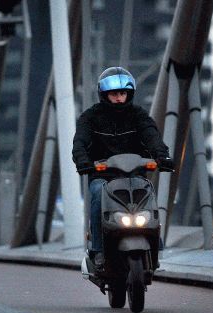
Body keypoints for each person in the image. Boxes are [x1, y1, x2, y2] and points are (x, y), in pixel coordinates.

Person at [72, 67, 174, 270]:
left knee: (148, 193)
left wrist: (162, 156)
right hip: (104, 178)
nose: (119, 98)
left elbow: (152, 137)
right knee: (97, 194)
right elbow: (80, 142)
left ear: (129, 94)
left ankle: (155, 244)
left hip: (135, 176)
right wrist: (83, 161)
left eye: (122, 93)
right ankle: (98, 250)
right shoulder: (90, 117)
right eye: (114, 94)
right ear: (104, 95)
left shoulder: (139, 115)